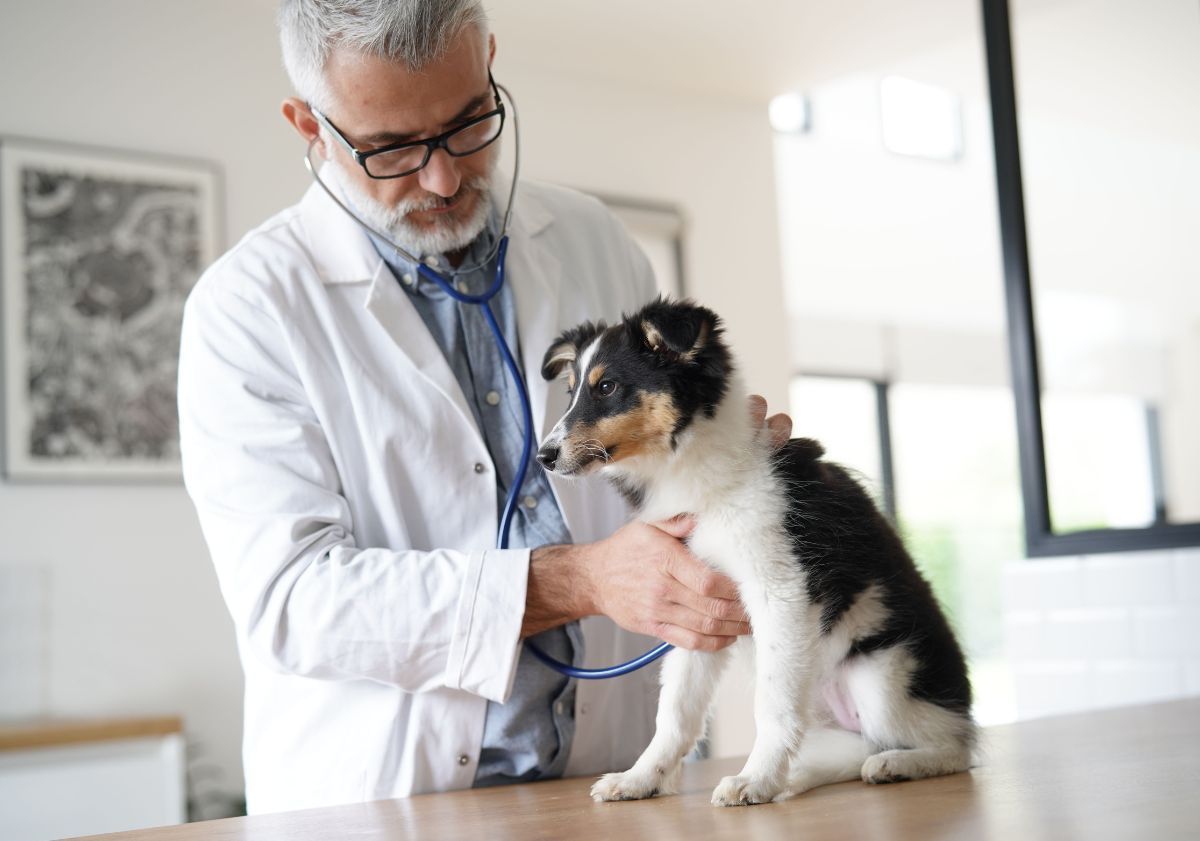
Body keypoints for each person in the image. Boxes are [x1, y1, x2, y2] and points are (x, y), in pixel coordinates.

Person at [178, 0, 789, 814]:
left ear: (490, 61)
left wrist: (719, 468)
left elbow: (655, 479)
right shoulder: (249, 309)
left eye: (470, 123)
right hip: (386, 804)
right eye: (393, 148)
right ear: (309, 126)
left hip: (604, 784)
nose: (444, 177)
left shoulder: (591, 240)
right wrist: (582, 581)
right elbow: (293, 602)